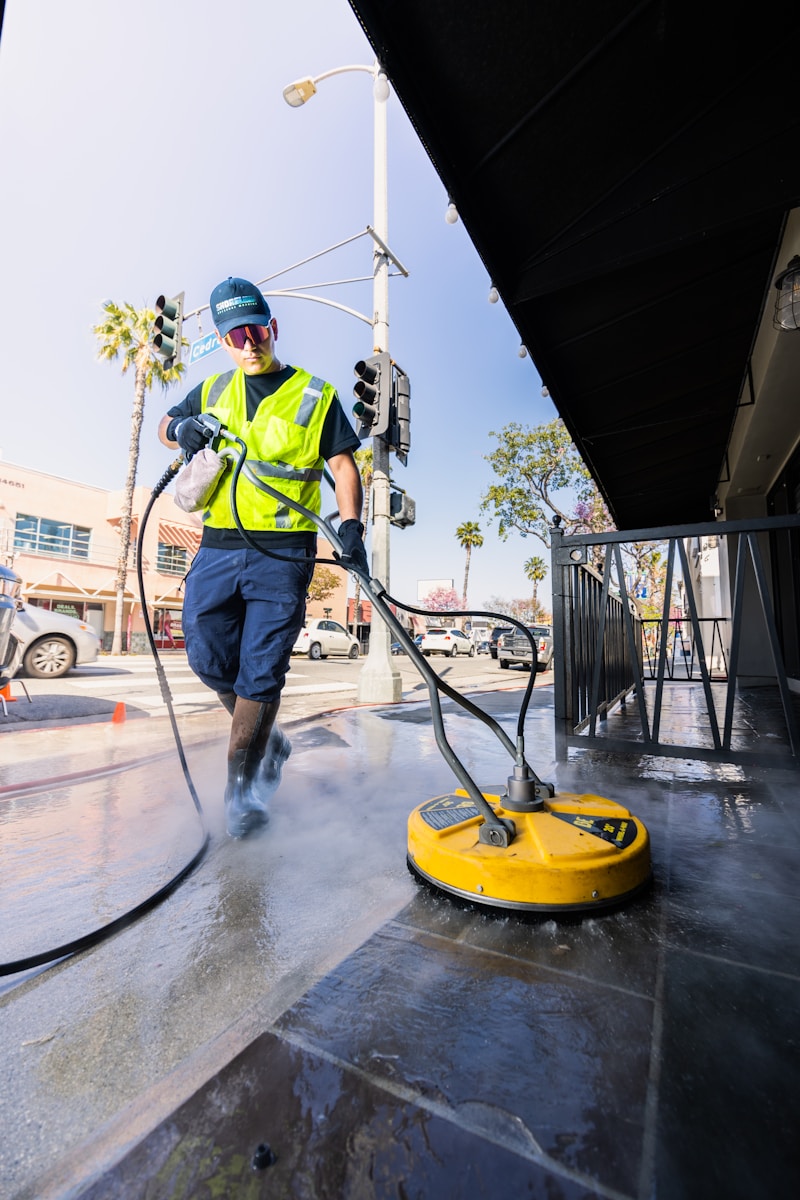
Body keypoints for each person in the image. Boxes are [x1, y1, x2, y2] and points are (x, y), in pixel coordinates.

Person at [158, 276, 368, 838]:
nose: (248, 342)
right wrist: (181, 427)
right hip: (219, 544)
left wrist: (352, 527)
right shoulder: (210, 391)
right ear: (225, 342)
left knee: (261, 670)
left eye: (256, 330)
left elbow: (344, 465)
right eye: (235, 335)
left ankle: (243, 792)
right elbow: (163, 426)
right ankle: (267, 741)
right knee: (205, 655)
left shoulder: (314, 394)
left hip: (284, 554)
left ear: (272, 329)